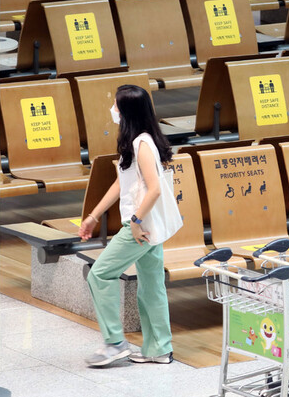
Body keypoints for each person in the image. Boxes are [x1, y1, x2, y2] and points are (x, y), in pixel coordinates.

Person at [79, 85, 175, 367]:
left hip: (139, 227)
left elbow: (154, 189)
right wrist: (93, 216)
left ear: (127, 112)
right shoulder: (141, 140)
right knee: (151, 287)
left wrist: (135, 222)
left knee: (99, 275)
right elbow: (122, 183)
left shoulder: (141, 144)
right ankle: (159, 348)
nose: (113, 110)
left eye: (116, 105)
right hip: (150, 227)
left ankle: (114, 343)